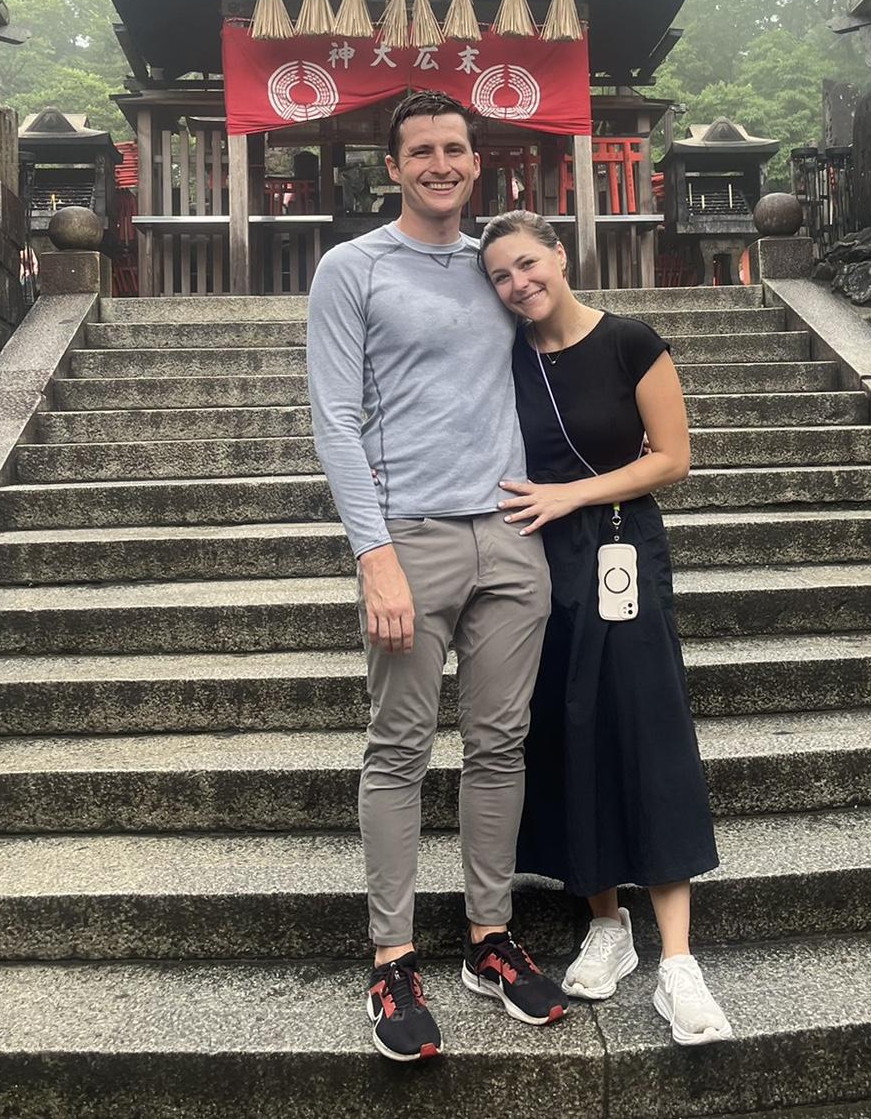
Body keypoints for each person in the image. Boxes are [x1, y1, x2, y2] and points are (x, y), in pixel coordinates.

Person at [308, 96, 564, 1063]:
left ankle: (489, 939)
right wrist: (372, 555)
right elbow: (335, 419)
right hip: (408, 534)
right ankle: (392, 953)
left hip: (507, 531)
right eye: (421, 151)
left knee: (501, 742)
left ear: (476, 161)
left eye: (455, 148)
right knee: (400, 745)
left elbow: (566, 348)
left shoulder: (497, 268)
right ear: (393, 166)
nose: (441, 163)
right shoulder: (354, 269)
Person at [478, 209, 733, 1048]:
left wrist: (573, 495)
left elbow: (672, 457)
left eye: (528, 263)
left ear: (559, 252)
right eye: (501, 277)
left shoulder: (630, 341)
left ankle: (680, 963)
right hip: (534, 564)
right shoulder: (504, 358)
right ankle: (605, 923)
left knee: (647, 727)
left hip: (621, 547)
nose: (519, 284)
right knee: (570, 730)